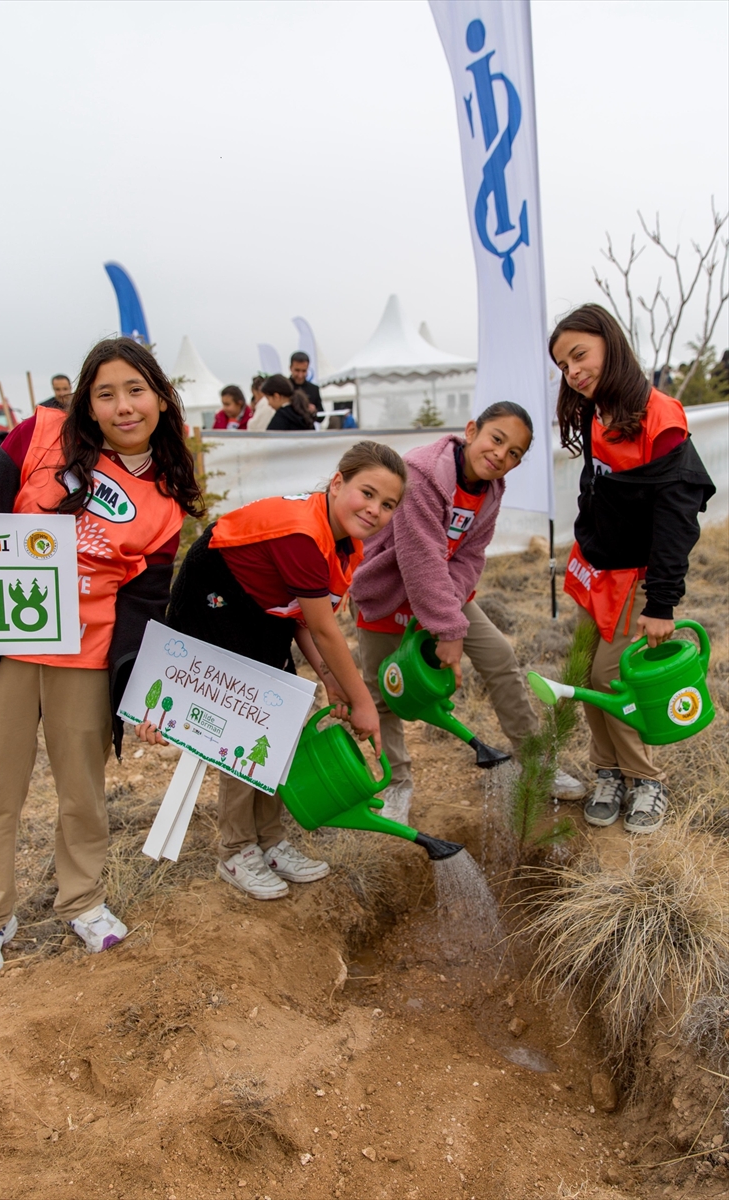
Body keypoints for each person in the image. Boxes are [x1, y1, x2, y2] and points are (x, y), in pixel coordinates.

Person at [0, 338, 201, 988]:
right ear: (87, 402)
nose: (123, 406)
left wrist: (139, 687)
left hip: (86, 656)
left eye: (136, 390)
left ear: (161, 398)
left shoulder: (166, 498)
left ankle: (82, 901)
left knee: (82, 792)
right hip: (6, 646)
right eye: (106, 393)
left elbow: (145, 604)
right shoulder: (43, 435)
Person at [139, 442, 407, 900]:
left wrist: (329, 678)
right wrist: (364, 702)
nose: (375, 510)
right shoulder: (303, 534)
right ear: (337, 482)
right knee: (246, 724)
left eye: (388, 504)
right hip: (216, 599)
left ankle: (270, 840)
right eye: (367, 493)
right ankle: (236, 849)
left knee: (280, 717)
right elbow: (324, 629)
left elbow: (302, 617)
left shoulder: (345, 543)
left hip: (260, 609)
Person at [351, 401, 586, 824]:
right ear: (472, 430)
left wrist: (448, 613)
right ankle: (397, 782)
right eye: (497, 439)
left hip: (442, 595)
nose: (500, 455)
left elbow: (470, 555)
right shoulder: (421, 474)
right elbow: (420, 557)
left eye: (514, 453)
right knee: (384, 689)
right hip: (388, 591)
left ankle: (535, 759)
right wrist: (449, 630)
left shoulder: (491, 492)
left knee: (499, 656)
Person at [549, 304, 715, 833]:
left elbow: (676, 518)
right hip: (595, 570)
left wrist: (662, 601)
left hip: (635, 579)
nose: (573, 372)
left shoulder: (660, 418)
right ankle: (608, 773)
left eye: (580, 355)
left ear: (610, 343)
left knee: (610, 677)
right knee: (584, 674)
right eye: (563, 365)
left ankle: (646, 779)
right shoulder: (595, 411)